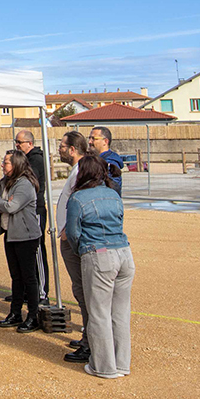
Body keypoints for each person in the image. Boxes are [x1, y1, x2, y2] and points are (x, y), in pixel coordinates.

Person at [66, 154, 135, 379]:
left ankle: (103, 366)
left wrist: (82, 251)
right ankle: (122, 363)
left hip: (98, 253)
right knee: (120, 313)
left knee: (98, 313)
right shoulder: (113, 194)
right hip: (124, 252)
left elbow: (73, 232)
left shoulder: (78, 198)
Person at [0, 150, 41, 332]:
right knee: (16, 276)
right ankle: (15, 312)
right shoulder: (5, 182)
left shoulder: (25, 184)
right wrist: (1, 201)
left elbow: (12, 206)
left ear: (16, 164)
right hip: (10, 233)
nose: (2, 165)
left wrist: (2, 202)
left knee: (29, 277)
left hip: (25, 236)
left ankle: (33, 315)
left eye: (6, 162)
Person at [56, 130, 92, 363]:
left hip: (73, 239)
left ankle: (90, 344)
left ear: (72, 149)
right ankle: (88, 338)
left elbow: (79, 204)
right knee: (81, 290)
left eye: (62, 146)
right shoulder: (77, 170)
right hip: (69, 237)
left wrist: (68, 231)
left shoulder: (81, 171)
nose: (59, 150)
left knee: (84, 291)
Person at [15, 130, 50, 301]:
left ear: (29, 143)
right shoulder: (26, 159)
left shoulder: (35, 160)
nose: (17, 145)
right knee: (24, 252)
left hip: (36, 209)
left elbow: (30, 182)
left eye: (19, 142)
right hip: (25, 210)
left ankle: (41, 292)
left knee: (37, 250)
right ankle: (27, 290)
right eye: (16, 142)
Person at [88, 127, 124, 196]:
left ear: (105, 141)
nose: (90, 142)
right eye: (89, 138)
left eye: (93, 138)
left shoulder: (110, 163)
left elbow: (113, 189)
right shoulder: (95, 160)